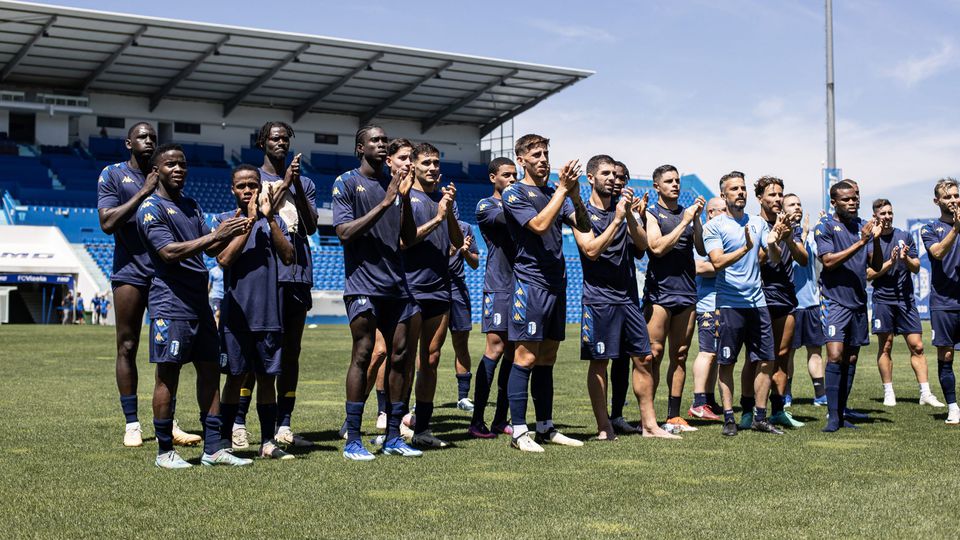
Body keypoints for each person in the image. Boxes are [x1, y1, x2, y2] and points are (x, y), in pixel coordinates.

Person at [135, 143, 252, 468]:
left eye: (183, 165)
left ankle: (213, 448)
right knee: (167, 375)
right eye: (171, 164)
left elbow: (214, 249)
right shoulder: (149, 208)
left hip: (200, 303)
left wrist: (243, 223)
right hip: (170, 304)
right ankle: (163, 451)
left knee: (210, 371)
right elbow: (169, 252)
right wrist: (214, 236)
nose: (179, 169)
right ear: (156, 171)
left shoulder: (191, 205)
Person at [97, 122, 199, 448]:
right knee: (127, 345)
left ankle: (168, 421)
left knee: (169, 354)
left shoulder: (168, 176)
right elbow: (107, 223)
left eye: (152, 136)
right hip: (129, 272)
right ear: (129, 142)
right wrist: (143, 191)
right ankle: (132, 423)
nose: (148, 140)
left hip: (165, 275)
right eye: (142, 136)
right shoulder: (113, 175)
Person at [332, 125, 421, 460]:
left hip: (397, 285)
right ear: (360, 148)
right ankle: (353, 437)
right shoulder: (347, 182)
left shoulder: (396, 183)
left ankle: (394, 436)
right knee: (364, 353)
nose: (382, 145)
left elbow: (409, 237)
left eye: (385, 140)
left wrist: (404, 199)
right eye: (376, 141)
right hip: (363, 285)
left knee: (400, 356)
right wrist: (386, 203)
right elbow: (343, 232)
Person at [575, 154, 675, 440]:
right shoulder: (580, 212)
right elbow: (591, 251)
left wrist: (629, 214)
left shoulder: (623, 210)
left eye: (613, 174)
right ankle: (604, 426)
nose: (611, 178)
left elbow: (644, 246)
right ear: (590, 178)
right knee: (600, 362)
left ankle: (649, 426)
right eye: (605, 173)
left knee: (644, 358)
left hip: (628, 299)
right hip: (599, 300)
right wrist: (617, 219)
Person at [502, 133, 591, 452]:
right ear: (521, 160)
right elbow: (539, 225)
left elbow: (583, 225)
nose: (543, 159)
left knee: (548, 358)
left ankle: (545, 427)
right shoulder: (514, 192)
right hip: (530, 283)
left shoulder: (557, 191)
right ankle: (519, 431)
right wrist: (564, 191)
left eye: (545, 153)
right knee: (525, 356)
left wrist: (577, 197)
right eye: (536, 154)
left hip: (557, 282)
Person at [215, 165, 296, 460]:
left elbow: (289, 256)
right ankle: (224, 440)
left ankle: (266, 442)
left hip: (269, 314)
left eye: (253, 185)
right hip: (237, 316)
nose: (248, 190)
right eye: (241, 186)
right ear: (232, 190)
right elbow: (224, 259)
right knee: (235, 377)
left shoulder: (273, 222)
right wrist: (249, 221)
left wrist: (269, 219)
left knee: (266, 379)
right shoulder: (225, 221)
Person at [702, 171, 781, 436]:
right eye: (734, 189)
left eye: (743, 188)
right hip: (729, 304)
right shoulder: (714, 227)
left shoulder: (759, 223)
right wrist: (745, 248)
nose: (740, 192)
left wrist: (774, 243)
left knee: (767, 360)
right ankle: (728, 418)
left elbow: (773, 258)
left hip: (758, 303)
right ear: (724, 196)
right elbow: (717, 262)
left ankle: (760, 416)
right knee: (727, 362)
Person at [254, 121, 318, 448]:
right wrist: (285, 181)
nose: (280, 143)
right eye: (274, 138)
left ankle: (285, 421)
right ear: (263, 142)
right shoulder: (254, 179)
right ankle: (241, 420)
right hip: (266, 275)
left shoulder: (303, 182)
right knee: (265, 351)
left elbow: (311, 225)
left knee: (292, 351)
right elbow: (255, 215)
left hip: (298, 275)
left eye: (285, 138)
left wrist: (296, 186)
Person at [815, 180, 882, 432]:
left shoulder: (862, 226)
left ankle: (842, 413)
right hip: (834, 300)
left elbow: (875, 267)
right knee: (834, 355)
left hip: (857, 301)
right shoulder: (825, 226)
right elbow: (828, 261)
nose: (852, 202)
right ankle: (832, 417)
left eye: (854, 198)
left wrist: (873, 241)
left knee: (851, 358)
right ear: (834, 202)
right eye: (846, 199)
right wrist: (862, 242)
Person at [644, 165, 705, 433]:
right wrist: (684, 222)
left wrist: (697, 221)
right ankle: (649, 416)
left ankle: (673, 416)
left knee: (679, 355)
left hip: (687, 292)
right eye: (669, 181)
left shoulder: (687, 214)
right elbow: (656, 248)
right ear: (657, 186)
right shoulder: (651, 213)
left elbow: (701, 248)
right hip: (660, 294)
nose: (675, 184)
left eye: (677, 180)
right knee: (654, 354)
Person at [745, 176, 808, 429]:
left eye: (780, 194)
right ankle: (748, 410)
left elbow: (803, 260)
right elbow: (757, 259)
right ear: (760, 198)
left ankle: (778, 409)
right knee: (757, 357)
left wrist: (789, 237)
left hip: (785, 293)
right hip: (759, 294)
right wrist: (775, 236)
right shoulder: (753, 224)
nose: (777, 199)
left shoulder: (791, 225)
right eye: (771, 195)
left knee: (782, 355)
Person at [868, 199, 943, 408]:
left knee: (917, 346)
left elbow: (917, 267)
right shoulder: (869, 239)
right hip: (882, 299)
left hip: (906, 300)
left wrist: (904, 259)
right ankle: (889, 392)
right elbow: (867, 274)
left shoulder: (904, 236)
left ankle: (925, 393)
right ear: (875, 216)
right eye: (883, 213)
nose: (887, 217)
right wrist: (889, 263)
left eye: (890, 212)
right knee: (886, 346)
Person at [469, 157, 518, 438]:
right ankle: (477, 421)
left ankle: (501, 419)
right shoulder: (486, 206)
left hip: (521, 287)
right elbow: (506, 220)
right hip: (499, 286)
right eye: (507, 175)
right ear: (493, 178)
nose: (512, 179)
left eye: (515, 175)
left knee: (514, 354)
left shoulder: (519, 204)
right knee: (495, 349)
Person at [920, 178, 960, 424]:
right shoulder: (930, 228)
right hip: (944, 302)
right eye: (948, 197)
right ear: (937, 201)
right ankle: (953, 407)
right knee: (946, 356)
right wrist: (956, 229)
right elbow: (936, 253)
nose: (954, 200)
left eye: (956, 195)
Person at [784, 195, 827, 407]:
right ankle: (786, 394)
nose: (797, 207)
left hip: (811, 303)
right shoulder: (781, 234)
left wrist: (823, 230)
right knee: (787, 352)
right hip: (789, 304)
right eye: (792, 204)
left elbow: (823, 260)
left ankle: (820, 394)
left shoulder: (811, 236)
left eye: (799, 204)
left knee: (815, 350)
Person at [688, 196, 726, 420]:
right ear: (709, 213)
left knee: (717, 355)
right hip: (708, 305)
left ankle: (709, 400)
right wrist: (730, 263)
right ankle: (698, 401)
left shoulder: (724, 235)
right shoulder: (703, 235)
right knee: (707, 352)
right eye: (720, 210)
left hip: (722, 303)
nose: (725, 214)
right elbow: (698, 266)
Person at [449, 219, 480, 412]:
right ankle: (420, 399)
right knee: (428, 345)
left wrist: (464, 252)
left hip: (457, 289)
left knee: (461, 342)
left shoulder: (465, 227)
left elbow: (475, 263)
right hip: (432, 287)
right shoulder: (431, 222)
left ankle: (463, 397)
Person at [208, 263, 224, 327]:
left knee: (222, 315)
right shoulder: (212, 271)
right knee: (217, 314)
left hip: (224, 296)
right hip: (216, 296)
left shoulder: (226, 271)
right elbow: (209, 284)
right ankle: (217, 332)